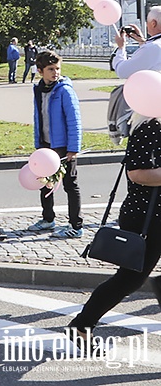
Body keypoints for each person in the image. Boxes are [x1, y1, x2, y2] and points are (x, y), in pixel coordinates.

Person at [67, 115, 161, 345]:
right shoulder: (150, 127)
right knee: (129, 280)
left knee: (133, 279)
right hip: (146, 217)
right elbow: (137, 173)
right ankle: (82, 324)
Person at [26, 50, 83, 238]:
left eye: (57, 68)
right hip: (46, 145)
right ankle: (48, 219)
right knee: (45, 183)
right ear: (40, 70)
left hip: (63, 146)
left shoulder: (65, 90)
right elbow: (39, 117)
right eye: (51, 69)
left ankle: (76, 224)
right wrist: (39, 143)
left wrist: (73, 149)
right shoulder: (38, 90)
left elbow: (74, 120)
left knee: (70, 184)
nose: (55, 72)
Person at [112, 6, 161, 78]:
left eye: (147, 22)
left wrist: (121, 48)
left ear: (153, 23)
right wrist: (142, 42)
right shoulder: (153, 46)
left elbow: (123, 71)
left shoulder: (153, 48)